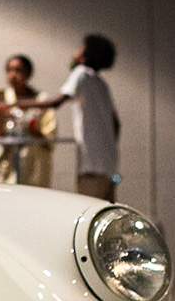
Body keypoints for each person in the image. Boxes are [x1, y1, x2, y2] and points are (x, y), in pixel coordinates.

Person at [22, 34, 120, 199]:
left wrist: (15, 104)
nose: (75, 51)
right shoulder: (100, 82)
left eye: (80, 48)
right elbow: (116, 124)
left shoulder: (81, 73)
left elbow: (55, 103)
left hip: (91, 163)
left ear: (85, 55)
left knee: (89, 211)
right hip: (109, 163)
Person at [0, 54, 55, 187]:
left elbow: (50, 137)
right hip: (6, 161)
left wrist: (31, 128)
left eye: (18, 70)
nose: (13, 75)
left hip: (31, 163)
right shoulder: (2, 98)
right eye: (9, 70)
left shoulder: (41, 100)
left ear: (28, 73)